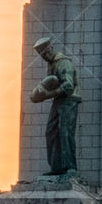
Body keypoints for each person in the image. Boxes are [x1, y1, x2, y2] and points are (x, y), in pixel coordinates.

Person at [29, 37, 80, 175]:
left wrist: (47, 95)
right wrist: (39, 95)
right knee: (50, 132)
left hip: (69, 100)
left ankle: (70, 167)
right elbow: (50, 84)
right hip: (58, 100)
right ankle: (56, 167)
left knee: (65, 132)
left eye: (45, 53)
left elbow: (68, 86)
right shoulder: (51, 64)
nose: (44, 56)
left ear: (51, 48)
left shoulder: (63, 62)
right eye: (42, 55)